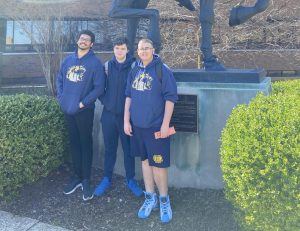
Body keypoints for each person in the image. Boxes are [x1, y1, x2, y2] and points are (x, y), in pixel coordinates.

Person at [124, 38, 178, 223]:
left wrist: (165, 124)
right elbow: (128, 97)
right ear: (137, 51)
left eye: (147, 48)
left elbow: (170, 98)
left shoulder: (162, 70)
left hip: (156, 127)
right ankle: (150, 198)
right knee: (145, 163)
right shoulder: (134, 70)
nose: (144, 51)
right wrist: (126, 121)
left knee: (159, 165)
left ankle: (164, 199)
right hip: (137, 127)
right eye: (141, 49)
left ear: (153, 50)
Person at [56, 30, 105, 201]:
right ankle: (76, 177)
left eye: (87, 40)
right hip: (68, 109)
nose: (83, 41)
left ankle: (86, 180)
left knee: (85, 144)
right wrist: (61, 98)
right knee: (74, 143)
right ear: (77, 41)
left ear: (91, 44)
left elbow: (99, 87)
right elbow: (60, 79)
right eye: (81, 38)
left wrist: (83, 103)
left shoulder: (95, 63)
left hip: (84, 111)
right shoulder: (68, 60)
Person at [94, 37, 143, 197]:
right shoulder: (107, 67)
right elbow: (98, 88)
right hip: (108, 116)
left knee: (129, 150)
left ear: (127, 50)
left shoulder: (135, 66)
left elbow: (139, 90)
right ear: (113, 49)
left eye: (122, 48)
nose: (119, 51)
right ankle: (107, 178)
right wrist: (106, 103)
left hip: (128, 117)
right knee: (110, 149)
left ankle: (131, 180)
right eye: (117, 48)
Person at [108, 0, 195, 55]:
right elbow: (114, 12)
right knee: (152, 13)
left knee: (136, 16)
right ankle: (154, 47)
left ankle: (132, 54)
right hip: (118, 9)